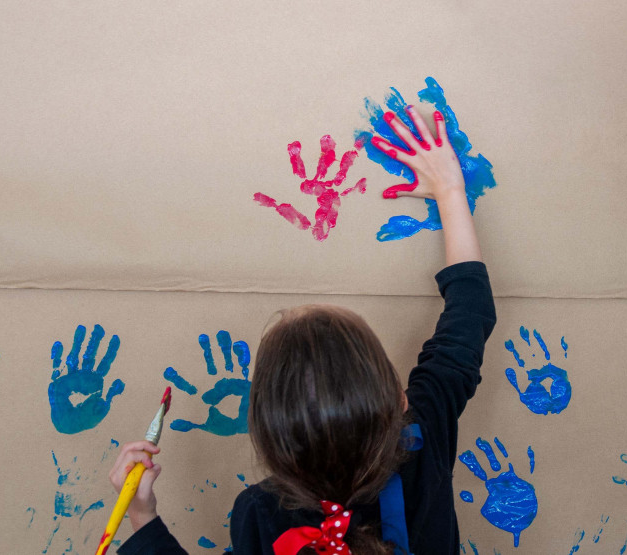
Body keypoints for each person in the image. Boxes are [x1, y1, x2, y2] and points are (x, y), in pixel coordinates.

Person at [109, 105, 496, 554]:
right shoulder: (423, 439)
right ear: (399, 397)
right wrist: (450, 190)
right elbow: (468, 318)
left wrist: (141, 517)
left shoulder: (259, 513)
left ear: (266, 439)